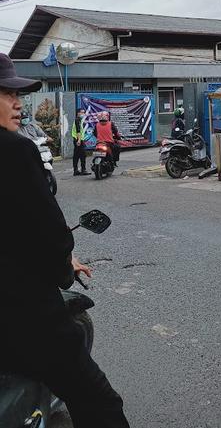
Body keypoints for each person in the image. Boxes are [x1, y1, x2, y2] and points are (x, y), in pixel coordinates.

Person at [0, 53, 130, 428]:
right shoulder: (16, 150)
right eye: (7, 93)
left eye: (17, 94)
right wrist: (63, 268)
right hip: (22, 318)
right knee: (100, 402)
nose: (18, 103)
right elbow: (52, 233)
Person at [72, 107, 90, 176]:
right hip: (78, 140)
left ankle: (76, 170)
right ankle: (83, 170)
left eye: (84, 112)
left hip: (77, 140)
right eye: (82, 112)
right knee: (83, 155)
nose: (83, 114)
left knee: (76, 156)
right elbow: (78, 131)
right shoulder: (77, 120)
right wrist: (79, 140)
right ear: (78, 113)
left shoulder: (79, 120)